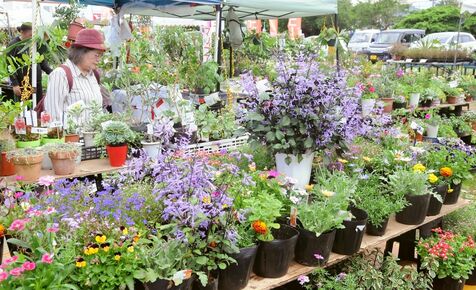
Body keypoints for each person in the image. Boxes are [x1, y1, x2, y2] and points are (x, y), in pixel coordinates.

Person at [45, 28, 105, 125]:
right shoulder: (61, 74)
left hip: (93, 138)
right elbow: (53, 115)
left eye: (101, 56)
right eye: (96, 55)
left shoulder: (94, 75)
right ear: (81, 53)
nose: (99, 60)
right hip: (71, 138)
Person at [6, 22, 52, 103]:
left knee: (37, 106)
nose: (32, 37)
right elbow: (10, 65)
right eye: (30, 35)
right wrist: (15, 84)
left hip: (36, 82)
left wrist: (51, 72)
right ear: (22, 32)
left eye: (34, 35)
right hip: (23, 83)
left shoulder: (34, 43)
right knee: (24, 109)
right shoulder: (13, 45)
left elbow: (41, 60)